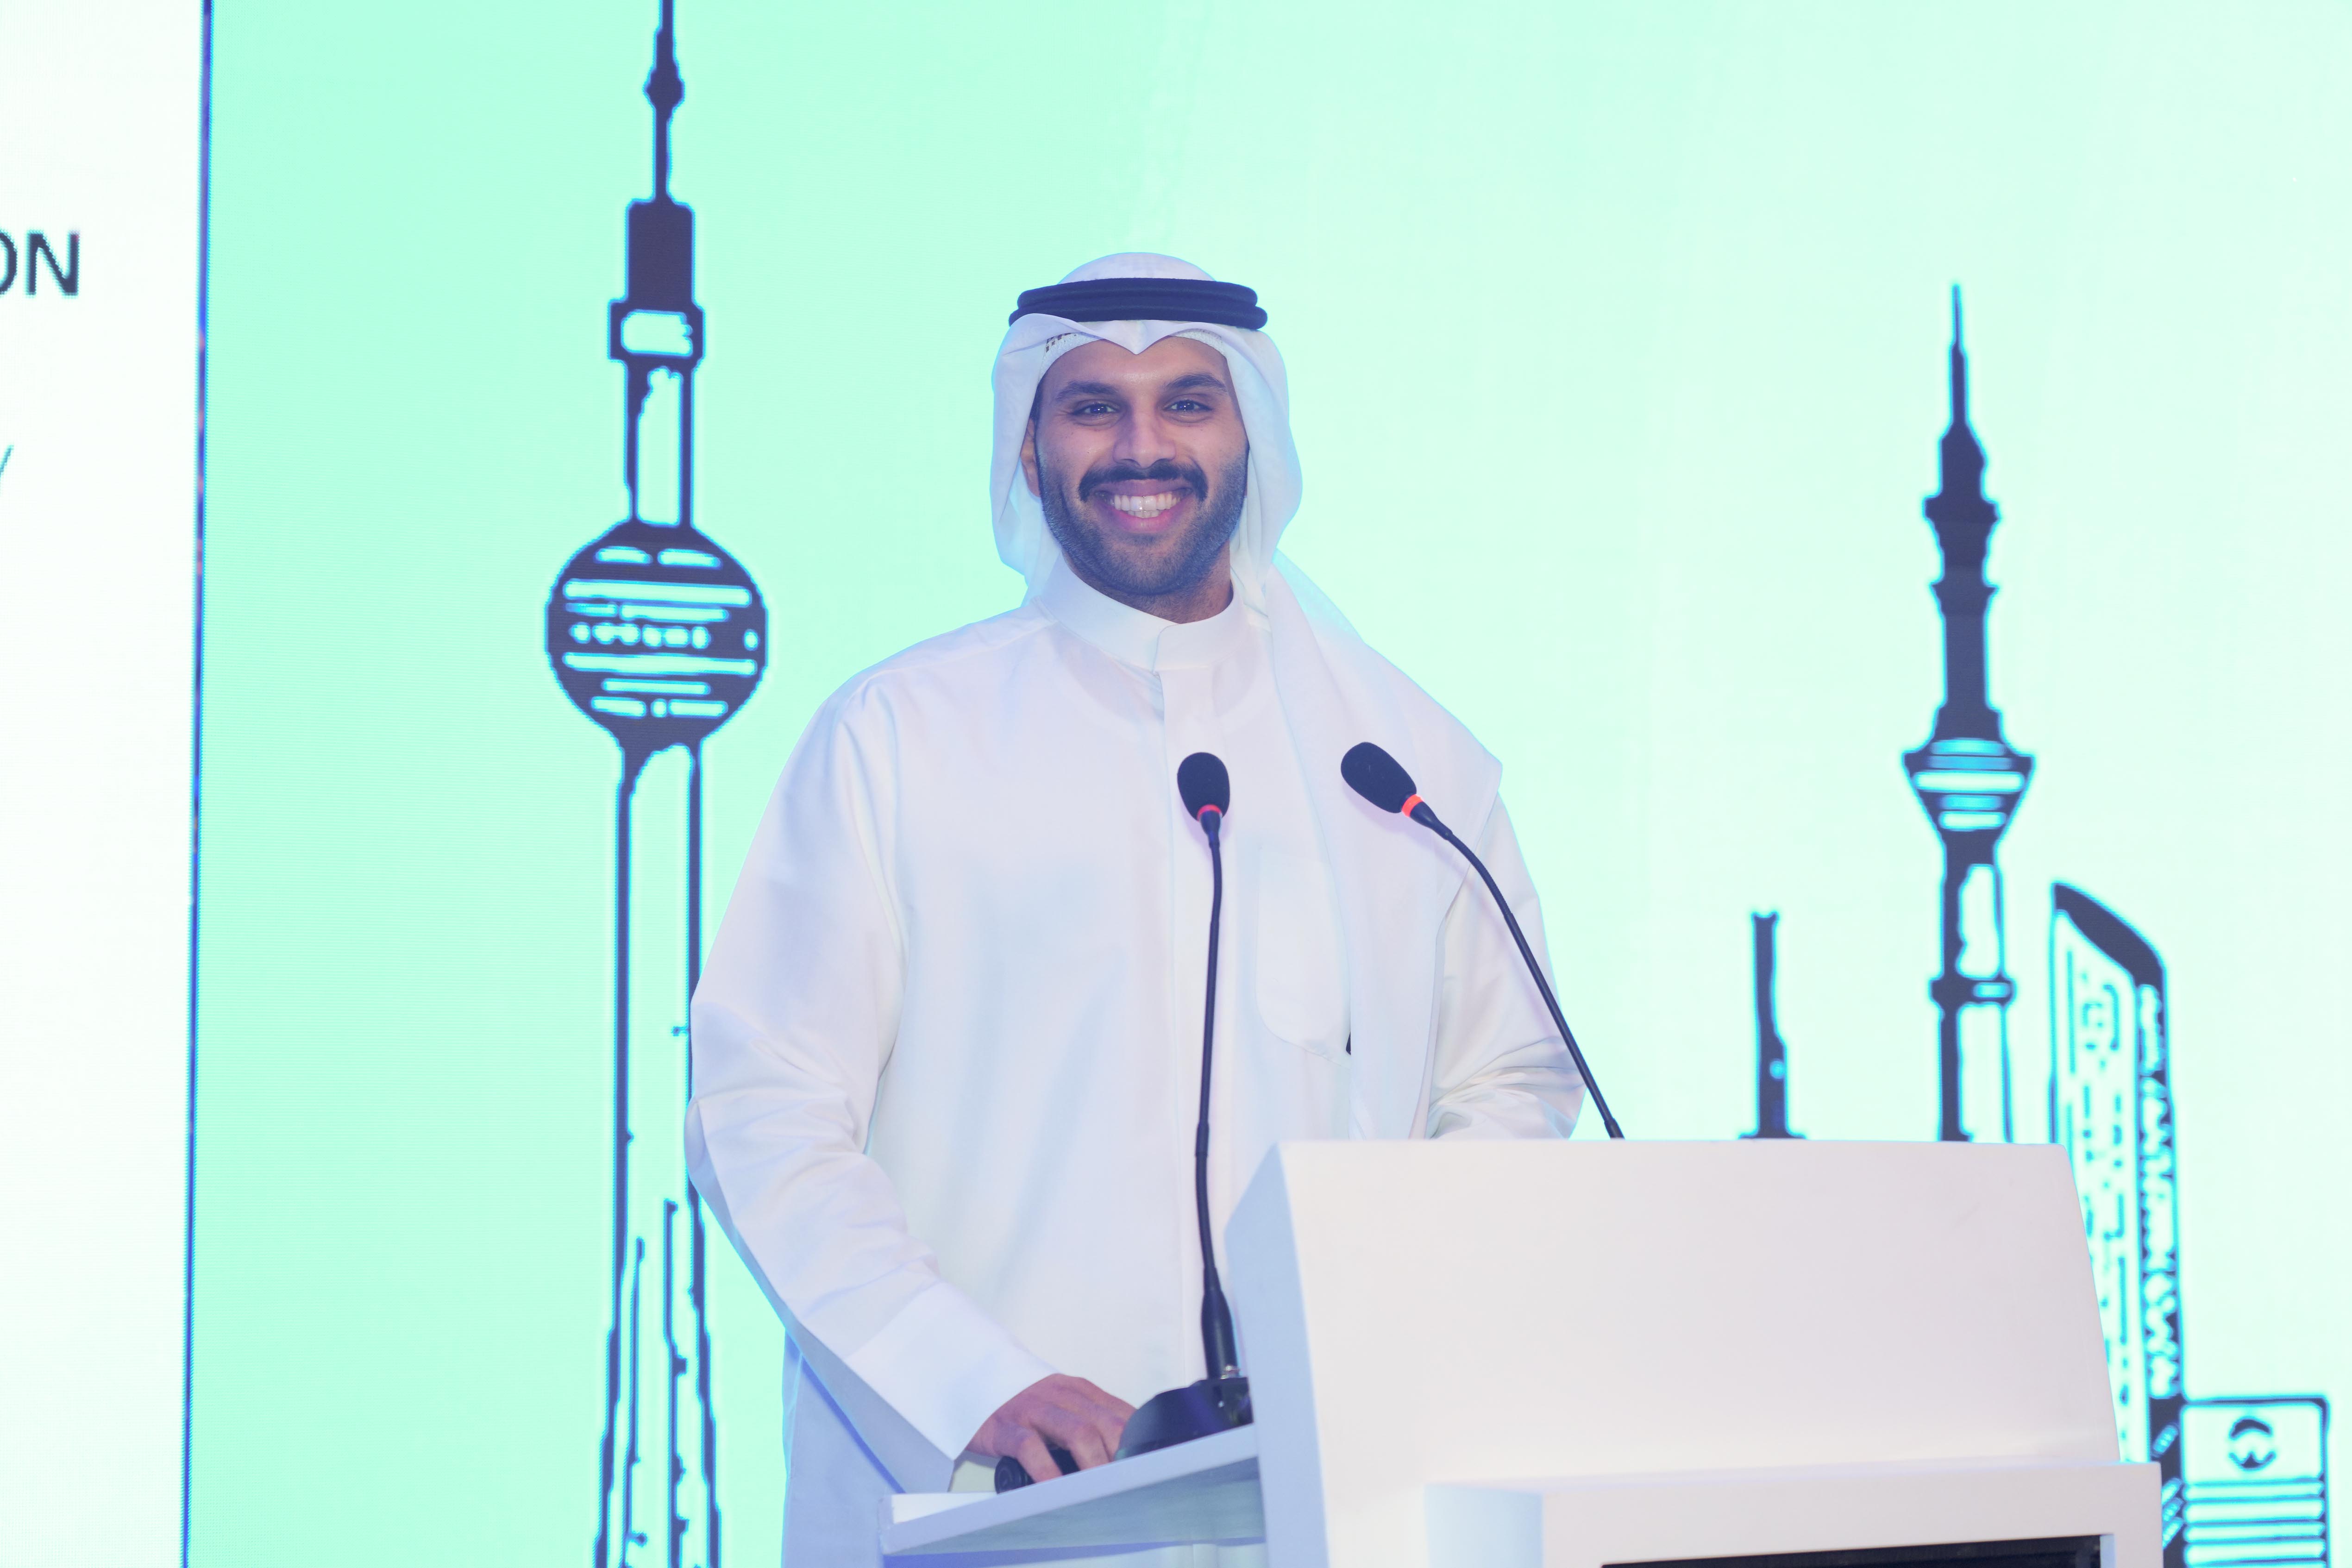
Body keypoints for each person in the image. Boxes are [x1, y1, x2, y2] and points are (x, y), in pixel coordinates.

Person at [685, 253, 1583, 1565]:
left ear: (1252, 434)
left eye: (1188, 403)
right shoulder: (900, 735)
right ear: (1030, 446)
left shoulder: (1399, 757)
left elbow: (1510, 1078)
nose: (1142, 447)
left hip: (1326, 1497)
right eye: (1094, 406)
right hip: (996, 1502)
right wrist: (970, 1382)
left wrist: (1385, 1331)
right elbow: (764, 1109)